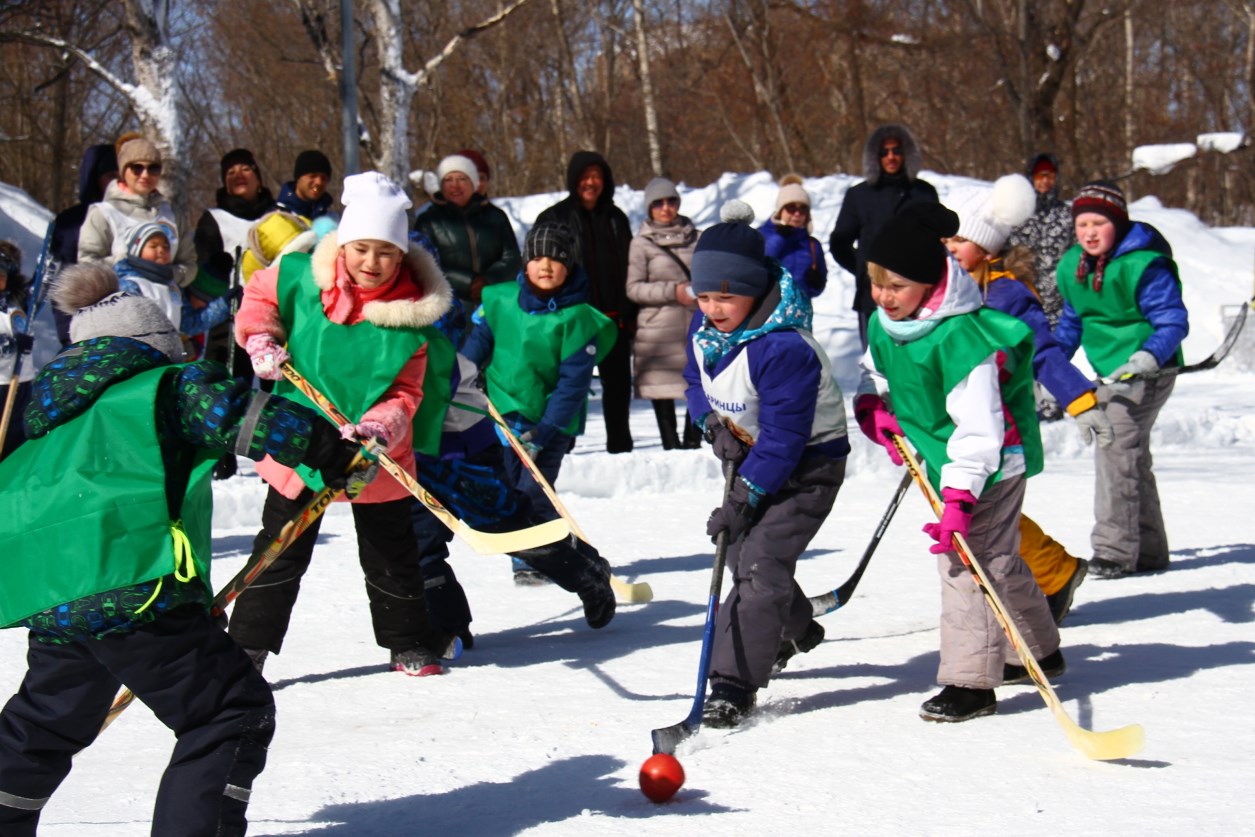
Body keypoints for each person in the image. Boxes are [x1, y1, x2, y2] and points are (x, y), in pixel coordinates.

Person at [0, 261, 365, 836]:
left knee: (41, 730)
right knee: (229, 712)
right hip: (134, 590)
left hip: (53, 599)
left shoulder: (41, 414)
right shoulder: (165, 383)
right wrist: (329, 449)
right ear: (152, 345)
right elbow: (242, 415)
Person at [228, 171, 456, 676]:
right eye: (361, 249)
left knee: (390, 550)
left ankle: (408, 641)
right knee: (281, 546)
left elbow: (406, 392)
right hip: (301, 437)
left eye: (385, 253)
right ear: (344, 245)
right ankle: (246, 647)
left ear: (401, 255)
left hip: (375, 448)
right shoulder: (301, 276)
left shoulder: (411, 317)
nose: (371, 263)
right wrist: (261, 340)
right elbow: (258, 299)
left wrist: (378, 430)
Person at [855, 202, 1061, 722]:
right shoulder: (888, 323)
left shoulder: (960, 338)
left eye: (896, 286)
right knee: (997, 560)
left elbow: (980, 430)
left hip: (987, 465)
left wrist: (960, 497)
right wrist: (874, 406)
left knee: (965, 564)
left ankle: (970, 683)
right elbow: (876, 370)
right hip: (947, 459)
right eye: (877, 284)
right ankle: (1039, 649)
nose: (883, 297)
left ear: (928, 282)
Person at [682, 205, 850, 728]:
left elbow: (784, 439)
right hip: (755, 455)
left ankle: (731, 683)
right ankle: (798, 628)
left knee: (756, 566)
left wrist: (742, 501)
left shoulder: (782, 350)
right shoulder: (707, 330)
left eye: (725, 296)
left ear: (756, 289)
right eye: (704, 296)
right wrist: (711, 426)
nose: (712, 307)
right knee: (749, 562)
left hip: (808, 467)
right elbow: (694, 382)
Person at [943, 175, 1114, 624]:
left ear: (987, 246)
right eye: (945, 238)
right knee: (971, 509)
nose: (949, 248)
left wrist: (1079, 399)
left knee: (982, 510)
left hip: (1000, 422)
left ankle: (1048, 575)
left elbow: (1045, 352)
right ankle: (1054, 570)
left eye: (959, 239)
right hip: (953, 421)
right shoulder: (945, 294)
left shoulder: (1006, 296)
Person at [409, 346, 617, 644]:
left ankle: (584, 572)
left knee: (503, 527)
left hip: (458, 438)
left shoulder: (409, 315)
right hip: (406, 449)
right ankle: (446, 626)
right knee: (417, 541)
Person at [461, 221, 618, 582]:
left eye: (556, 258)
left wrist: (544, 432)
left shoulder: (576, 318)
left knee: (533, 493)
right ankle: (536, 555)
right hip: (500, 412)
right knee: (507, 492)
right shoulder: (500, 301)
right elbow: (475, 348)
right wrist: (461, 380)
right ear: (525, 262)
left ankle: (552, 558)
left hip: (548, 422)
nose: (545, 265)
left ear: (570, 265)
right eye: (537, 257)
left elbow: (572, 384)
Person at [1053, 181, 1188, 579]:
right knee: (1130, 453)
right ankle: (1148, 550)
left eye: (1099, 223)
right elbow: (1072, 323)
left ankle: (1114, 551)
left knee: (1113, 444)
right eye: (1082, 224)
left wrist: (1146, 356)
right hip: (1110, 374)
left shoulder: (1143, 264)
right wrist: (1050, 363)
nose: (1089, 232)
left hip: (1150, 370)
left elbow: (1173, 320)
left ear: (1118, 222)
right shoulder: (1073, 265)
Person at [534, 151, 635, 453]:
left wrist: (630, 313)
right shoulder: (555, 217)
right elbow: (540, 266)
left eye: (597, 176)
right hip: (574, 318)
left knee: (618, 388)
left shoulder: (617, 219)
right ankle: (563, 449)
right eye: (585, 176)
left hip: (613, 318)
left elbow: (631, 266)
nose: (591, 183)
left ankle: (620, 449)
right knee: (571, 387)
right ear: (574, 180)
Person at [828, 124, 939, 347]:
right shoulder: (859, 195)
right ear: (874, 157)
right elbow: (840, 242)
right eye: (884, 152)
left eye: (897, 151)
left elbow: (937, 242)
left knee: (918, 365)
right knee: (876, 368)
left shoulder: (924, 193)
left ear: (906, 154)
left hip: (917, 298)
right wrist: (864, 269)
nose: (891, 157)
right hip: (873, 298)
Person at [625, 176, 702, 450]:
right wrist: (674, 291)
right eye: (658, 203)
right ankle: (670, 446)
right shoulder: (640, 243)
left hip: (697, 323)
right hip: (658, 327)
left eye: (671, 201)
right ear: (649, 208)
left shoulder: (698, 237)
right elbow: (633, 289)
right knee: (662, 388)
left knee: (699, 383)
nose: (666, 208)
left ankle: (694, 442)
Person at [77, 132, 198, 288]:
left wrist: (168, 274)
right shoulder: (104, 213)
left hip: (166, 307)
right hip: (119, 305)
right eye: (137, 168)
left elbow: (189, 263)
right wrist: (126, 266)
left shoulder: (172, 214)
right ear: (123, 171)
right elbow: (87, 265)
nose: (145, 175)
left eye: (153, 168)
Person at [414, 153, 521, 312]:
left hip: (495, 301)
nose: (455, 185)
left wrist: (488, 280)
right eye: (448, 180)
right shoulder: (428, 221)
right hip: (450, 307)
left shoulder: (496, 216)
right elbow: (425, 263)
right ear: (441, 186)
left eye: (462, 179)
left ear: (474, 183)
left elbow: (512, 257)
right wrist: (468, 282)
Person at [116, 222, 237, 341]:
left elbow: (188, 324)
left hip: (168, 356)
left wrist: (223, 304)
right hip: (143, 355)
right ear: (136, 249)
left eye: (166, 246)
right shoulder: (130, 285)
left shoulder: (172, 286)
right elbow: (128, 329)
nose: (161, 250)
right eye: (153, 246)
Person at [50, 143, 118, 346]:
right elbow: (60, 278)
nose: (116, 183)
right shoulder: (72, 222)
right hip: (84, 327)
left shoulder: (137, 218)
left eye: (120, 176)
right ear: (94, 179)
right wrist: (68, 331)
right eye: (110, 176)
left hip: (131, 320)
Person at [1007, 153, 1074, 328]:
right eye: (1039, 176)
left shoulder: (1066, 215)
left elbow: (1075, 255)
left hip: (1057, 304)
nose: (1045, 181)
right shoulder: (1019, 213)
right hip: (1021, 301)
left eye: (1050, 176)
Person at [759, 174, 827, 298]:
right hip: (766, 308)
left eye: (803, 209)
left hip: (799, 311)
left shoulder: (812, 245)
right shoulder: (761, 235)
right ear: (780, 210)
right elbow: (758, 264)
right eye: (791, 208)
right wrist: (780, 237)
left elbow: (819, 284)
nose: (797, 214)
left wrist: (815, 284)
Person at [0, 241, 33, 460]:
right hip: (1, 384)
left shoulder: (14, 305)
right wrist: (8, 345)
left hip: (22, 383)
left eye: (2, 275)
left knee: (16, 444)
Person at [275, 149, 336, 222]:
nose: (319, 182)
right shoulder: (277, 215)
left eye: (324, 178)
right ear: (299, 178)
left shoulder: (332, 219)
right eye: (312, 176)